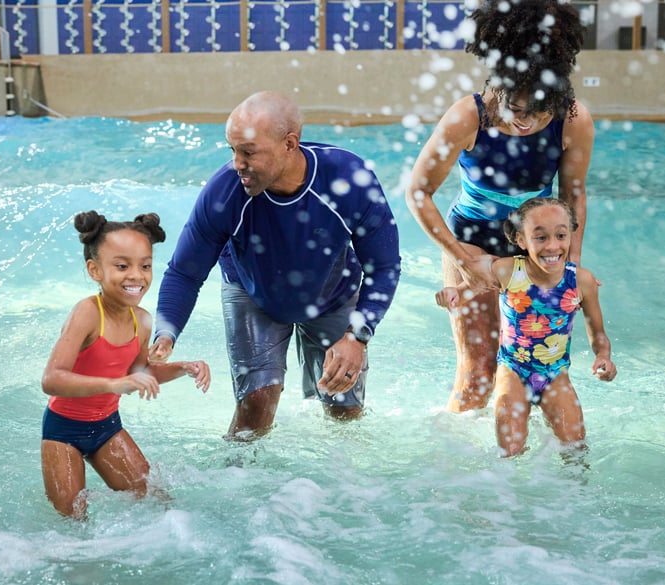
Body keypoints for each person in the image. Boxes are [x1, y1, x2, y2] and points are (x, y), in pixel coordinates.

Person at [148, 91, 401, 440]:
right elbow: (184, 272)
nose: (237, 163)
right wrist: (166, 330)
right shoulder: (225, 193)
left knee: (344, 410)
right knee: (255, 409)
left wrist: (357, 336)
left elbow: (384, 266)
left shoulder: (348, 180)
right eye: (232, 150)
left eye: (248, 152)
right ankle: (236, 484)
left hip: (333, 292)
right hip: (253, 291)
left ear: (289, 144)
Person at [406, 0, 594, 414]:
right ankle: (458, 466)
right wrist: (461, 261)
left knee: (539, 365)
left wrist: (570, 267)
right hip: (471, 241)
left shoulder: (574, 118)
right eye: (516, 110)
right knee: (479, 372)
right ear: (498, 86)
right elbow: (418, 193)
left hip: (536, 246)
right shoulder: (467, 117)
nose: (525, 123)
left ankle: (531, 469)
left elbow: (574, 196)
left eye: (540, 113)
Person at [40, 210, 210, 518]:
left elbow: (138, 373)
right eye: (122, 266)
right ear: (95, 270)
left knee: (159, 504)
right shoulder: (88, 313)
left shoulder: (142, 320)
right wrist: (113, 384)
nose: (136, 275)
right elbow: (51, 379)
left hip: (107, 428)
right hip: (63, 431)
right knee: (72, 520)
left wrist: (184, 368)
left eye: (145, 265)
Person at [435, 198, 615, 456]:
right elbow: (466, 291)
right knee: (510, 450)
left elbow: (598, 334)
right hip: (513, 371)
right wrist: (451, 295)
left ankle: (574, 496)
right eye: (540, 238)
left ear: (571, 235)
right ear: (521, 240)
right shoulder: (508, 271)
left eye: (561, 235)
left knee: (575, 449)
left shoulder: (580, 281)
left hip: (555, 375)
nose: (552, 245)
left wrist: (603, 356)